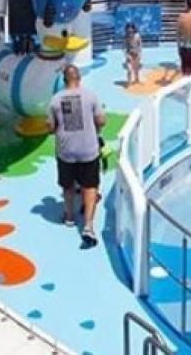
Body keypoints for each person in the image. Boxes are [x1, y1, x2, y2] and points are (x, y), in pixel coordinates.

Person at [47, 64, 107, 248]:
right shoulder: (90, 96)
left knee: (67, 185)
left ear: (63, 80)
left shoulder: (55, 100)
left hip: (66, 151)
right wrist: (95, 128)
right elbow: (101, 120)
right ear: (79, 78)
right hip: (88, 150)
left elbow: (50, 127)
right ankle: (88, 226)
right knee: (90, 186)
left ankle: (69, 216)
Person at [123, 21, 143, 86]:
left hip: (136, 54)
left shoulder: (137, 36)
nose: (130, 33)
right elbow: (123, 48)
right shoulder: (125, 38)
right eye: (128, 31)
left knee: (136, 69)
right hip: (129, 55)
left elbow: (140, 45)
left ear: (134, 30)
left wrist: (140, 53)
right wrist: (127, 55)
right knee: (129, 69)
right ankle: (129, 83)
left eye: (131, 31)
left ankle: (137, 80)